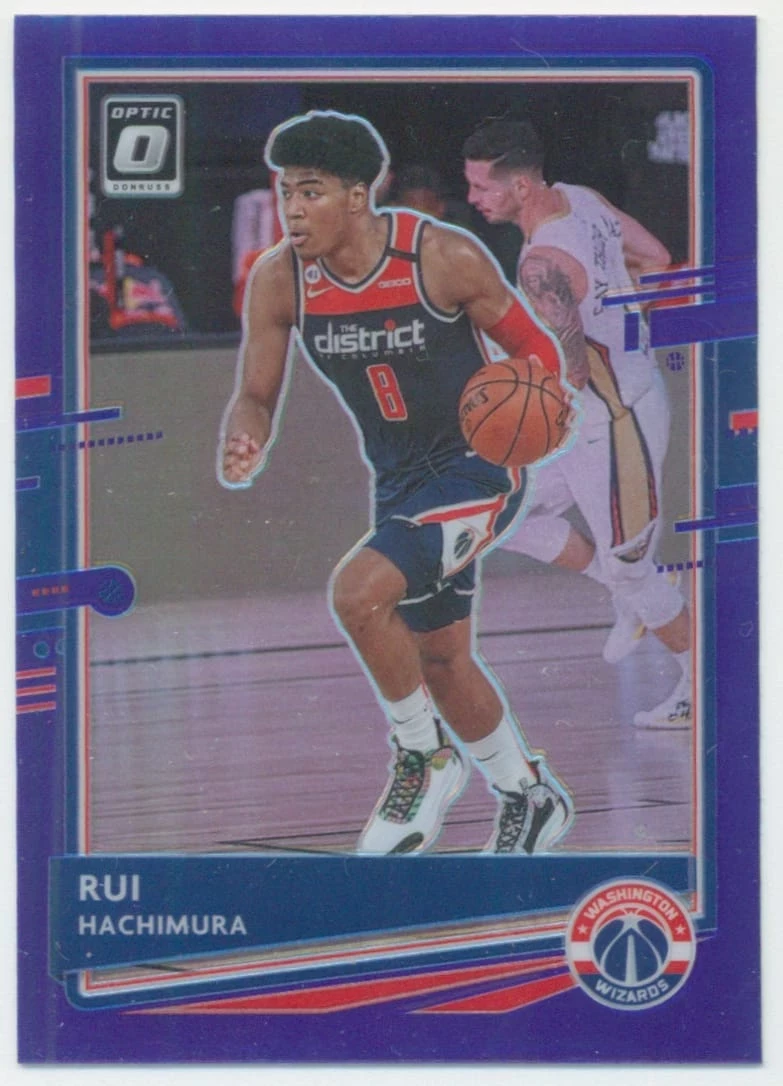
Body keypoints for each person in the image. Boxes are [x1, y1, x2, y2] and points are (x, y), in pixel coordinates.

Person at [218, 110, 575, 855]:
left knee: (357, 593)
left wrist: (540, 407)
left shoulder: (440, 256)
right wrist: (245, 433)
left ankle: (423, 756)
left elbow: (534, 349)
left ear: (358, 195)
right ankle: (529, 796)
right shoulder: (280, 279)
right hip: (401, 483)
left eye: (310, 192)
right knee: (441, 661)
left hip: (478, 469)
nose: (292, 210)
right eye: (285, 192)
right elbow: (255, 392)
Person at [463, 118, 692, 730]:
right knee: (493, 512)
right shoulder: (581, 197)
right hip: (614, 400)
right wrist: (618, 319)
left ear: (519, 186)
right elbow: (656, 257)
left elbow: (573, 371)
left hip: (615, 421)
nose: (473, 197)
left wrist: (510, 388)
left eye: (482, 187)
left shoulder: (541, 262)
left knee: (633, 570)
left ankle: (698, 684)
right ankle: (622, 591)